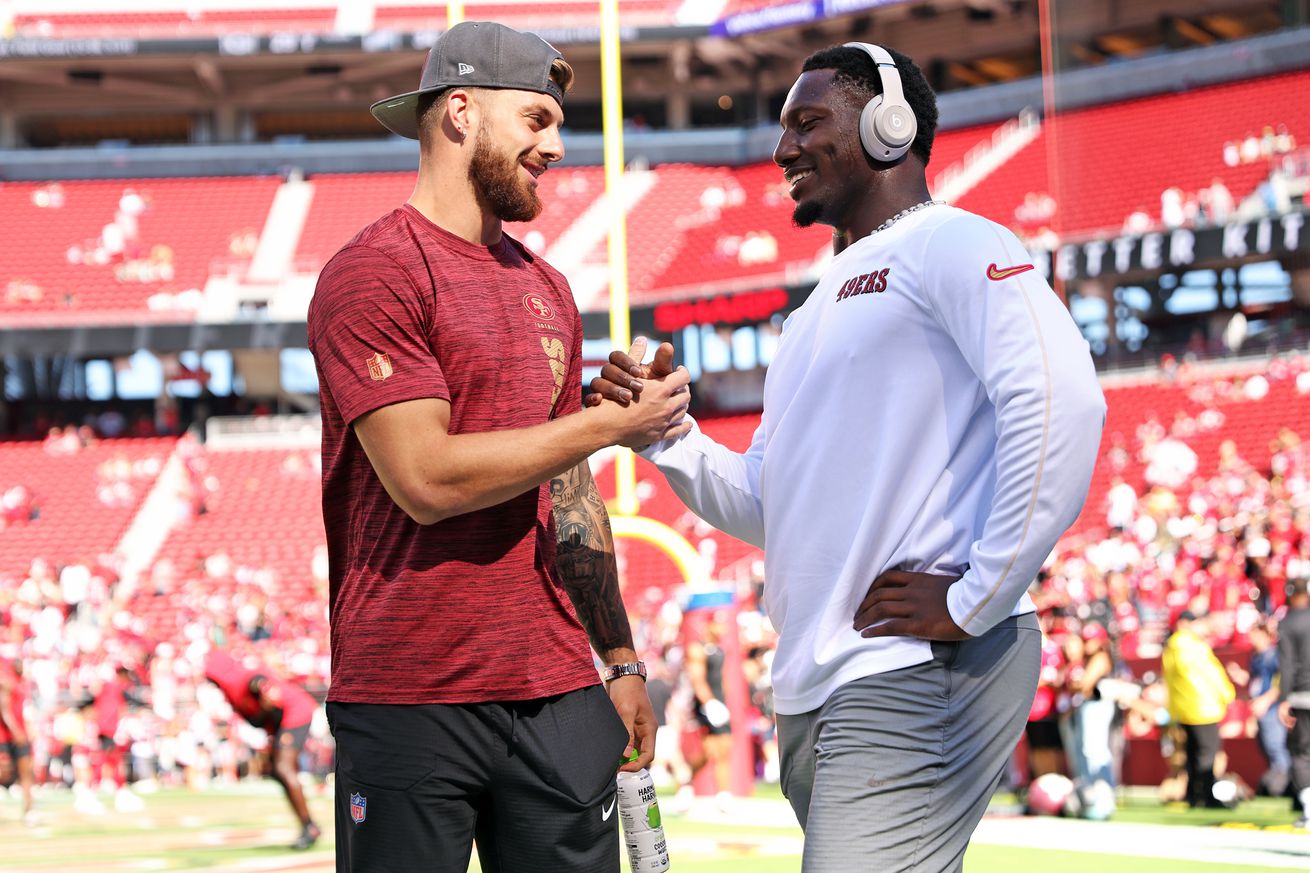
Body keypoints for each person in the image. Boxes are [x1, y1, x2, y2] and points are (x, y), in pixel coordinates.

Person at [589, 42, 1105, 871]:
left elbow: (1062, 400)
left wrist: (980, 592)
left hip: (911, 663)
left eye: (808, 121)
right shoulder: (814, 306)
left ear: (889, 124)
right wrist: (665, 434)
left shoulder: (953, 240)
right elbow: (768, 501)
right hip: (820, 677)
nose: (783, 148)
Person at [306, 21, 692, 873]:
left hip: (553, 681)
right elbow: (426, 480)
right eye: (535, 121)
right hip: (410, 687)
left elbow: (572, 496)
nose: (556, 145)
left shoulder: (548, 286)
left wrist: (620, 658)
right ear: (459, 113)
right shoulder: (374, 271)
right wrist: (607, 423)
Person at [203, 649, 322, 850]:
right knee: (276, 771)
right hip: (280, 724)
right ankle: (306, 824)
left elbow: (258, 682)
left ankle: (310, 826)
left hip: (295, 712)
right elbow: (257, 719)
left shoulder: (239, 681)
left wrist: (265, 690)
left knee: (284, 768)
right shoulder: (231, 694)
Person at [1161, 611, 1236, 808]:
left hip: (1185, 708)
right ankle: (1206, 795)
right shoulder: (1191, 646)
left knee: (1193, 753)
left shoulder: (1172, 647)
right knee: (1207, 753)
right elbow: (1210, 674)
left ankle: (1193, 795)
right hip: (1203, 707)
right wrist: (1227, 694)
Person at [1245, 620, 1291, 798]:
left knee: (1276, 747)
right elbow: (1256, 683)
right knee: (1265, 747)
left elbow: (1282, 682)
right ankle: (1277, 783)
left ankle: (1284, 785)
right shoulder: (1255, 657)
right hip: (1259, 708)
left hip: (1272, 708)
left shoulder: (1274, 656)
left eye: (1256, 634)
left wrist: (1266, 700)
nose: (1252, 638)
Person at [1280, 579, 1310, 827]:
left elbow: (1288, 664)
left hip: (1302, 696)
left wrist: (1284, 699)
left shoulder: (1289, 623)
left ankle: (1309, 809)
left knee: (1301, 752)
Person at [0, 660, 35, 825]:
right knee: (4, 774)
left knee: (26, 773)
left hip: (21, 734)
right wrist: (16, 731)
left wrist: (29, 730)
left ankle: (29, 811)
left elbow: (26, 709)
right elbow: (4, 708)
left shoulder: (24, 683)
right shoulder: (7, 681)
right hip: (5, 736)